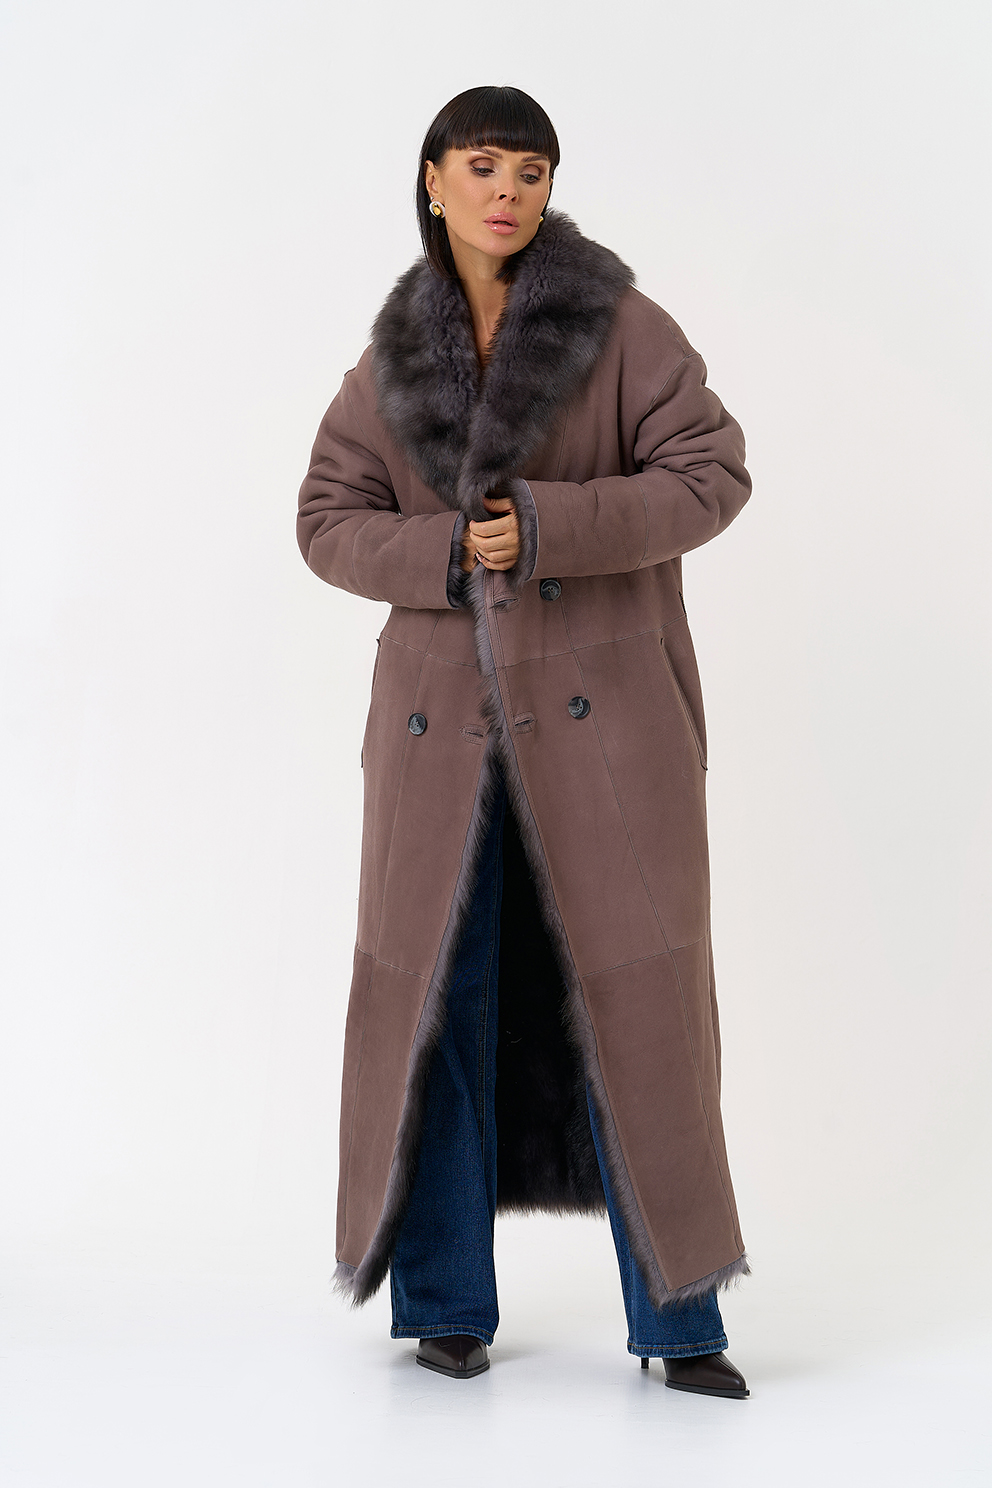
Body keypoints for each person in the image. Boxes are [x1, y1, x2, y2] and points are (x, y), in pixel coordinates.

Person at [297, 85, 752, 1399]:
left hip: (609, 733)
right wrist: (446, 550)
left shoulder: (620, 328)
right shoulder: (391, 359)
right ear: (434, 179)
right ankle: (445, 1306)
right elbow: (325, 518)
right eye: (485, 166)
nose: (508, 192)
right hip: (441, 741)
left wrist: (549, 524)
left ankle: (680, 1324)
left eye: (532, 171)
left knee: (641, 1010)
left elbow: (712, 474)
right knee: (440, 1006)